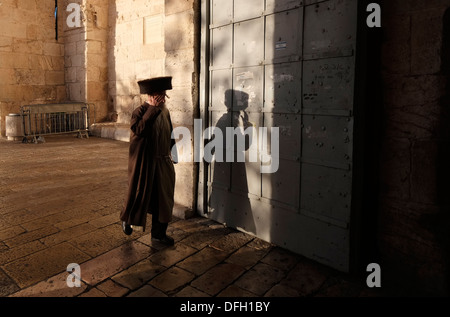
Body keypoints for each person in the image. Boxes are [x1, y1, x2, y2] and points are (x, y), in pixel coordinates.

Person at [120, 76, 176, 246]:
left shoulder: (165, 111)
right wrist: (152, 109)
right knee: (139, 195)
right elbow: (139, 131)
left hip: (163, 162)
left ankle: (159, 234)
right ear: (152, 95)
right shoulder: (140, 111)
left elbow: (170, 133)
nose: (163, 98)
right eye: (160, 94)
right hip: (146, 164)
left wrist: (174, 153)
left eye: (164, 94)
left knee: (164, 199)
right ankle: (127, 219)